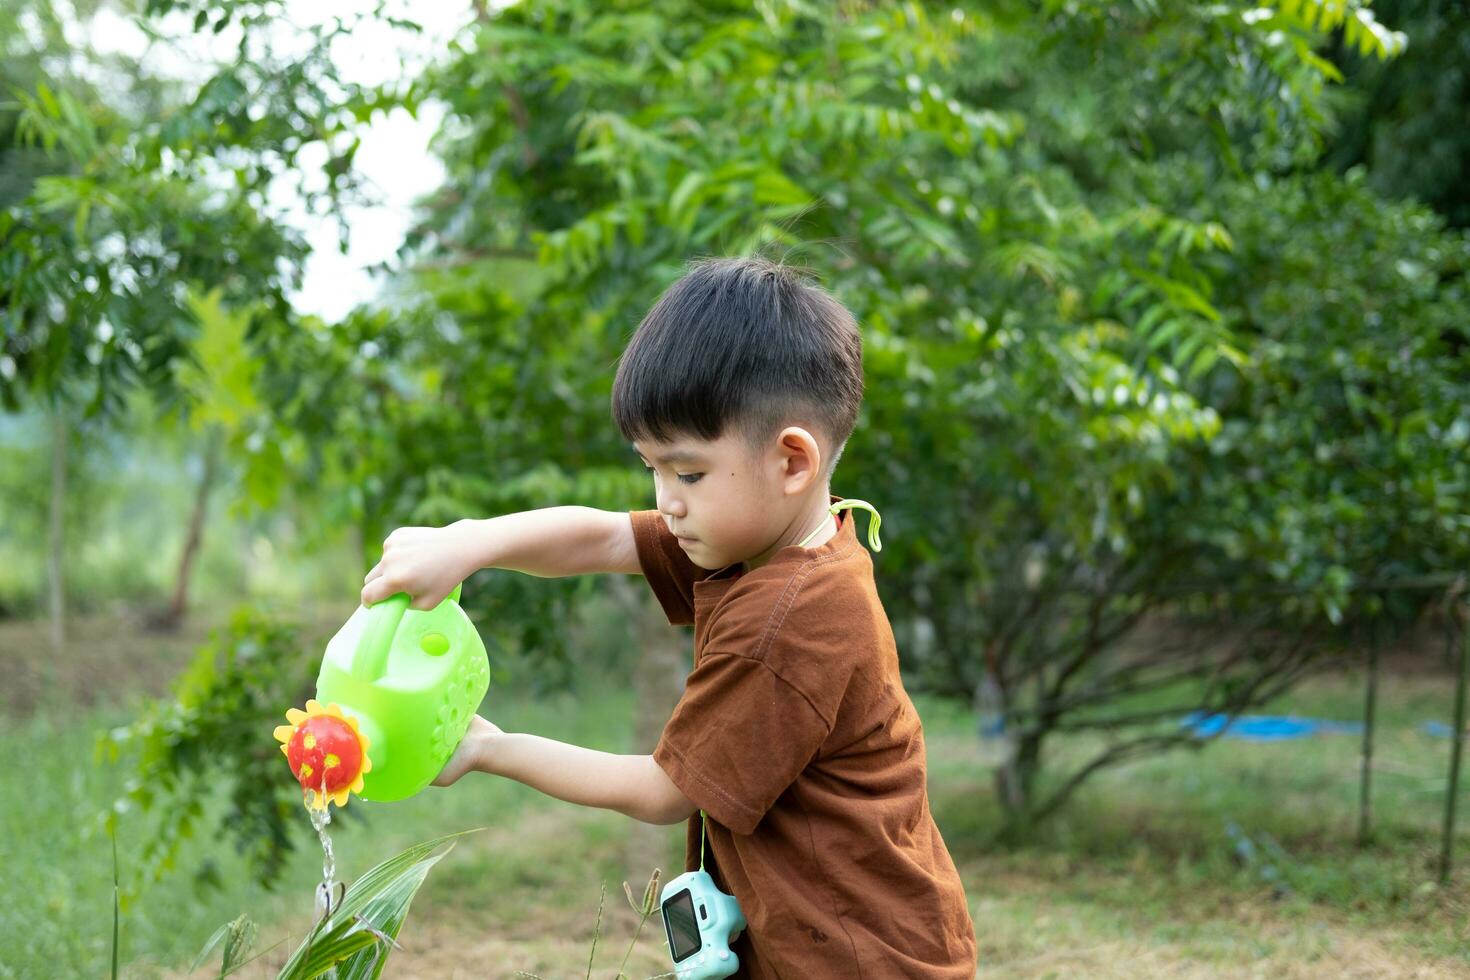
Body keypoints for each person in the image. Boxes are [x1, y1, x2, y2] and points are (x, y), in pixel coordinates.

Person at [360, 255, 978, 977]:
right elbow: (605, 537)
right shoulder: (771, 539)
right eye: (652, 468)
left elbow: (661, 791)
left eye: (686, 473)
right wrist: (468, 542)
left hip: (858, 958)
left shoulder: (788, 620)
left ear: (791, 463)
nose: (666, 500)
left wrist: (488, 748)